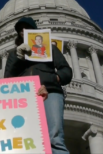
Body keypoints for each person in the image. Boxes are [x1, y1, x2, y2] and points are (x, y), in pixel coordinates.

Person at [4, 17, 72, 154]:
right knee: (29, 140)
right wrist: (18, 57)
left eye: (26, 28)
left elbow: (66, 71)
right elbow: (7, 79)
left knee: (55, 138)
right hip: (25, 96)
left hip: (50, 92)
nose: (23, 31)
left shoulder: (50, 48)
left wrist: (54, 79)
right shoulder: (14, 55)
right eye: (20, 29)